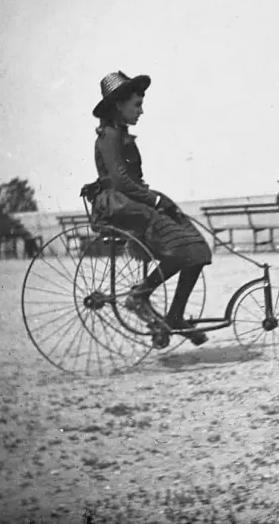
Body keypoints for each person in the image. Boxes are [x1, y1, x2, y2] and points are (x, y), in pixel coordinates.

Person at [86, 71, 210, 348]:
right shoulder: (108, 136)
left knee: (197, 249)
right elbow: (121, 181)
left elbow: (133, 183)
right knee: (180, 248)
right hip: (118, 205)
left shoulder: (120, 135)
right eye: (137, 105)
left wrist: (161, 200)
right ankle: (139, 295)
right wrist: (154, 200)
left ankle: (174, 315)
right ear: (119, 105)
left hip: (133, 201)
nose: (141, 111)